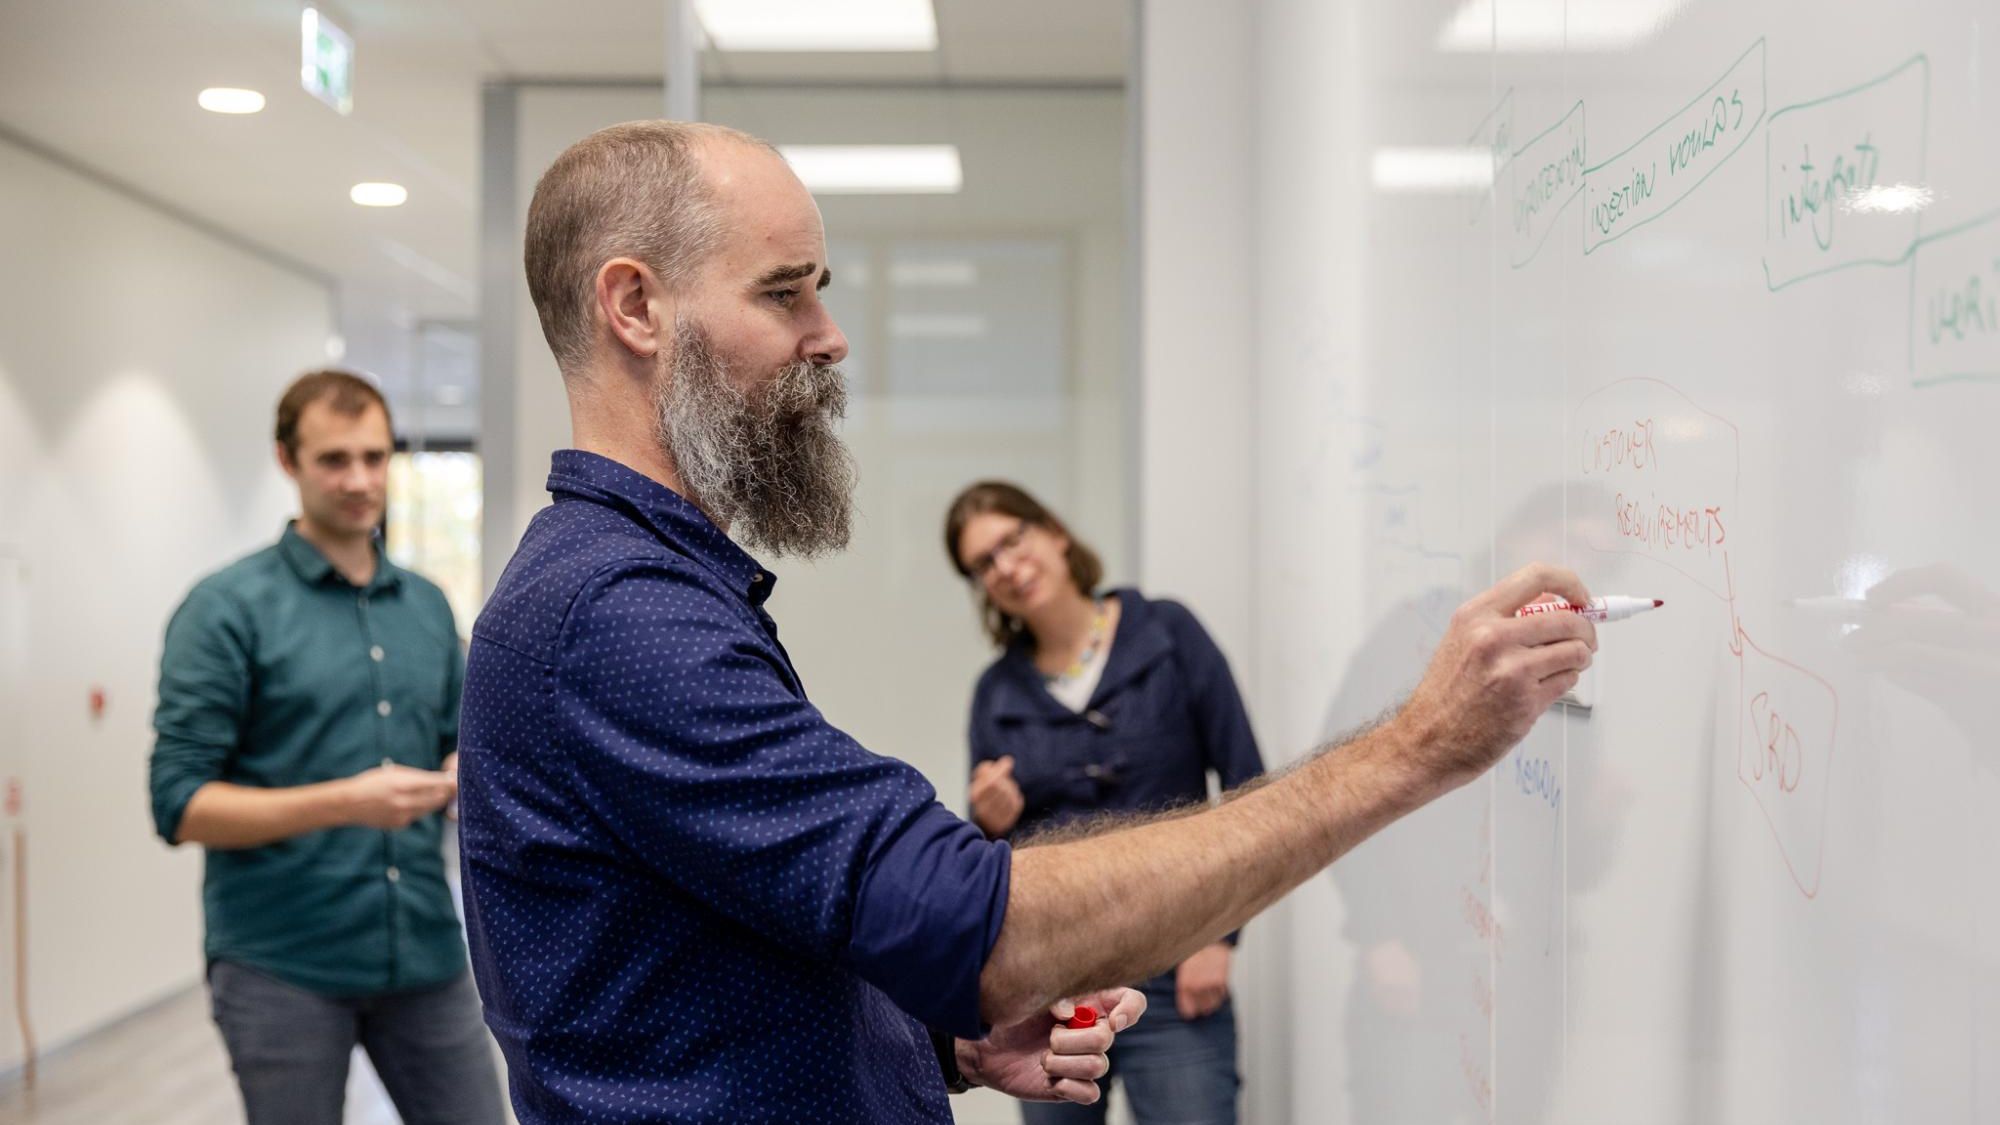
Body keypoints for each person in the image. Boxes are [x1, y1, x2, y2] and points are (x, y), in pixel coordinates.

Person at [458, 119, 1597, 1124]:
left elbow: (720, 966)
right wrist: (1419, 746)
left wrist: (935, 1044)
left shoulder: (648, 588)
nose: (829, 334)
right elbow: (973, 927)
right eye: (783, 290)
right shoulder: (615, 616)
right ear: (635, 306)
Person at [149, 370, 505, 1125]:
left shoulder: (428, 607)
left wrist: (460, 775)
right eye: (334, 460)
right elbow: (180, 802)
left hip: (425, 951)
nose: (359, 480)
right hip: (282, 964)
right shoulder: (225, 609)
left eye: (375, 458)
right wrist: (347, 800)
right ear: (288, 461)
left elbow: (460, 747)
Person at [946, 481, 1261, 1125]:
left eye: (1012, 539)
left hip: (1177, 963)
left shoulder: (1167, 632)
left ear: (1055, 532)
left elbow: (1248, 787)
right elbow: (989, 862)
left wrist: (1221, 938)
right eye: (983, 563)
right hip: (1051, 991)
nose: (1005, 566)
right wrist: (990, 821)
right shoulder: (996, 692)